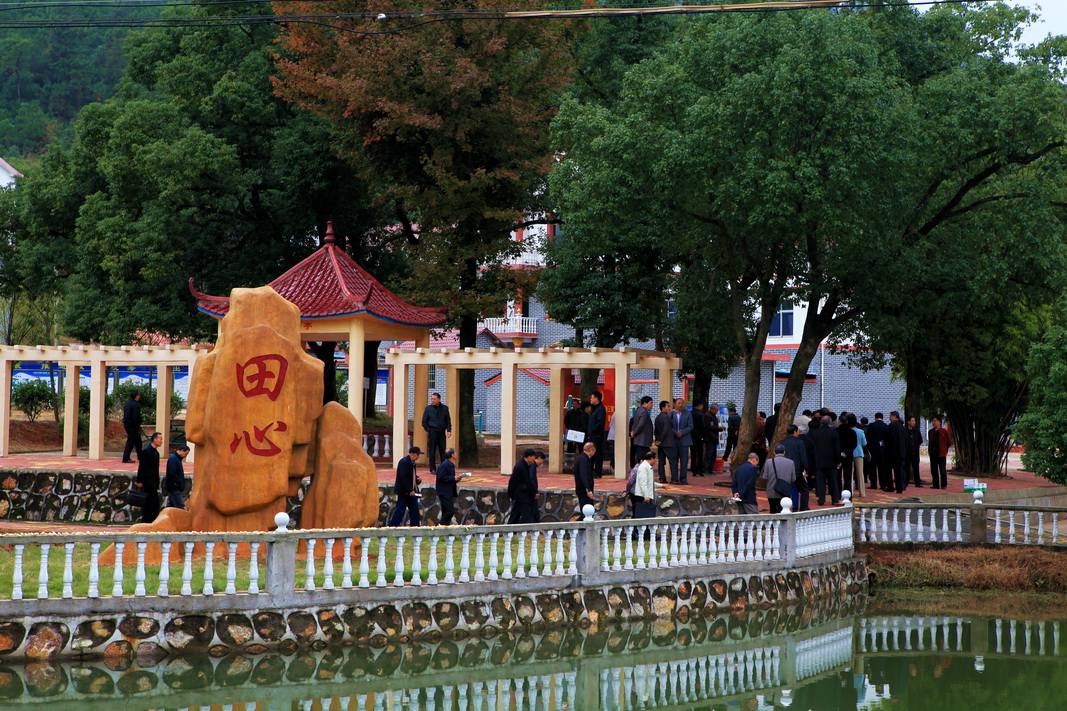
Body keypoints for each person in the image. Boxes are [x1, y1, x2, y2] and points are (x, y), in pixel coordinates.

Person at [388, 446, 423, 527]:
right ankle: (392, 526)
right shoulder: (404, 462)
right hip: (404, 492)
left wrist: (417, 479)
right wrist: (410, 490)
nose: (418, 456)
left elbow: (410, 475)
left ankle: (415, 527)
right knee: (400, 510)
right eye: (417, 454)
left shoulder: (412, 463)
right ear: (412, 454)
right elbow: (403, 477)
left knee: (414, 510)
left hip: (411, 492)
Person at [812, 415, 842, 506]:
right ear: (830, 422)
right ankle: (835, 499)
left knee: (820, 481)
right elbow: (837, 448)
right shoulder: (833, 433)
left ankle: (821, 499)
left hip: (819, 460)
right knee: (833, 481)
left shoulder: (816, 433)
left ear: (821, 422)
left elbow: (813, 447)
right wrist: (838, 460)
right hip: (831, 461)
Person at [135, 432, 163, 523]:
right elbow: (142, 467)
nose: (161, 441)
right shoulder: (147, 452)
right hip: (148, 481)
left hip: (153, 481)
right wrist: (140, 481)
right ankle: (147, 520)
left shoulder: (156, 452)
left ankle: (151, 519)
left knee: (153, 501)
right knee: (150, 501)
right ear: (154, 439)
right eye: (160, 439)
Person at [421, 393, 452, 474]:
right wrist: (429, 430)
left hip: (441, 432)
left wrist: (449, 430)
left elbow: (448, 420)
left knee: (443, 451)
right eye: (432, 399)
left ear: (439, 399)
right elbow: (424, 421)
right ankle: (432, 468)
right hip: (432, 432)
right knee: (432, 451)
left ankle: (444, 468)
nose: (433, 400)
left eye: (434, 399)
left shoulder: (445, 408)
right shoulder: (428, 409)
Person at [782, 424, 810, 511]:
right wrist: (806, 468)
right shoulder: (799, 442)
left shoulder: (783, 442)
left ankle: (784, 507)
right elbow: (803, 456)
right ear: (795, 432)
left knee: (785, 489)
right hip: (797, 469)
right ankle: (803, 507)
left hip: (785, 469)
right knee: (804, 489)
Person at [508, 449, 540, 523]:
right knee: (527, 512)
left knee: (516, 513)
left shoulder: (526, 465)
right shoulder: (520, 466)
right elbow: (513, 480)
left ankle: (511, 528)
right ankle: (531, 529)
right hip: (520, 493)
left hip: (523, 493)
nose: (534, 459)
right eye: (533, 457)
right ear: (529, 457)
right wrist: (511, 493)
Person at [763, 444, 796, 514]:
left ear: (774, 452)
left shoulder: (769, 462)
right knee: (783, 510)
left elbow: (765, 477)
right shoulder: (791, 462)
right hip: (784, 491)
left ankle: (773, 524)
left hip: (772, 491)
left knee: (772, 509)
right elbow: (793, 478)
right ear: (784, 452)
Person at [667, 398, 694, 484]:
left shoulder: (688, 414)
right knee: (674, 460)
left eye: (682, 403)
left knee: (684, 460)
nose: (681, 405)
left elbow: (690, 426)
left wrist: (682, 432)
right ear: (675, 404)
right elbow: (668, 426)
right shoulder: (671, 414)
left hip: (684, 439)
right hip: (674, 440)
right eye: (679, 403)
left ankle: (683, 478)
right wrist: (675, 432)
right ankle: (674, 478)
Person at [885, 411, 908, 494]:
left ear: (894, 416)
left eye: (890, 416)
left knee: (888, 470)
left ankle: (890, 487)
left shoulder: (891, 426)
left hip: (892, 453)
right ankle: (900, 488)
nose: (889, 418)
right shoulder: (903, 427)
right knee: (899, 471)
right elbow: (906, 441)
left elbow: (889, 439)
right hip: (901, 453)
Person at [435, 448, 459, 525]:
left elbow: (448, 478)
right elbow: (440, 477)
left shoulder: (451, 465)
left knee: (445, 511)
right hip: (444, 491)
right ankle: (440, 525)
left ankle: (445, 528)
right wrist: (453, 478)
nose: (456, 454)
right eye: (455, 453)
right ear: (452, 455)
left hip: (449, 491)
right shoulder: (445, 465)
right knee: (450, 511)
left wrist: (456, 479)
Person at [586, 391, 607, 479]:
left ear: (596, 398)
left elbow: (600, 423)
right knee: (592, 454)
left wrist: (592, 430)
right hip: (592, 435)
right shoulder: (595, 409)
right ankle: (591, 471)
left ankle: (598, 472)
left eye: (592, 397)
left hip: (597, 436)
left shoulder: (601, 409)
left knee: (597, 454)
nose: (591, 399)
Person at [867, 412, 890, 492]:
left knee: (873, 468)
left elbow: (868, 437)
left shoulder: (871, 426)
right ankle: (883, 484)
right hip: (883, 450)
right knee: (882, 468)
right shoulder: (886, 426)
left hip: (873, 450)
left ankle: (873, 484)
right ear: (882, 418)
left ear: (875, 417)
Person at [928, 416, 952, 489]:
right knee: (934, 469)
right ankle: (935, 484)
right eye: (933, 421)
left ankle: (944, 485)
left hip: (941, 453)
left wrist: (945, 449)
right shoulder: (931, 432)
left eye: (935, 421)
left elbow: (949, 442)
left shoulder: (944, 431)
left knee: (942, 469)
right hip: (933, 452)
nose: (933, 423)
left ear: (939, 422)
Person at [632, 450, 657, 519]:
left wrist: (660, 486)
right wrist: (646, 495)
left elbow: (649, 482)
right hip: (642, 496)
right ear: (652, 458)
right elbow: (643, 483)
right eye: (655, 459)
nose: (656, 461)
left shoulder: (647, 467)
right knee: (642, 516)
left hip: (646, 495)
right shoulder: (643, 467)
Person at [164, 444, 190, 510]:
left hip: (173, 486)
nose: (185, 456)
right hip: (174, 487)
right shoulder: (174, 459)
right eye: (185, 454)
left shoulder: (176, 458)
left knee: (170, 505)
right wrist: (177, 483)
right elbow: (172, 473)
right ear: (181, 451)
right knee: (180, 506)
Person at [653, 400, 673, 484]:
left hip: (660, 443)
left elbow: (656, 430)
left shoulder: (657, 417)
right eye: (668, 406)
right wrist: (660, 440)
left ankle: (662, 477)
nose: (669, 408)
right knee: (672, 461)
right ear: (663, 408)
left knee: (661, 461)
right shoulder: (666, 417)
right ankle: (674, 478)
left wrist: (658, 440)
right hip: (667, 442)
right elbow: (665, 430)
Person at [838, 413, 857, 499]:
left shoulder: (836, 431)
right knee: (848, 476)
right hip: (849, 456)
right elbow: (854, 444)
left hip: (838, 456)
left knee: (837, 476)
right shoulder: (852, 432)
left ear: (839, 421)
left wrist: (841, 452)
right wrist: (847, 452)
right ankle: (848, 495)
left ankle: (837, 494)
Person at [630, 396, 655, 464]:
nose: (652, 405)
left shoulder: (638, 411)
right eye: (651, 403)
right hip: (643, 440)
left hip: (640, 440)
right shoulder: (644, 412)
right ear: (645, 403)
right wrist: (634, 432)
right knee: (644, 459)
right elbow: (640, 425)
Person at [574, 441, 598, 509]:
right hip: (583, 490)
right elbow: (584, 475)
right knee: (587, 511)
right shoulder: (583, 460)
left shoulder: (582, 458)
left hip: (583, 489)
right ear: (591, 450)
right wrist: (588, 489)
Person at [848, 414, 867, 498]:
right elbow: (864, 443)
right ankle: (862, 492)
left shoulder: (848, 431)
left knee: (850, 473)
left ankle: (850, 492)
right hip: (859, 453)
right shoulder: (860, 431)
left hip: (850, 453)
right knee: (860, 473)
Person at [122, 391, 143, 463]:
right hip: (133, 426)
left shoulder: (128, 404)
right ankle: (125, 458)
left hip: (128, 424)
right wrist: (137, 426)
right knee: (131, 442)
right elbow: (135, 417)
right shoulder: (135, 405)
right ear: (136, 396)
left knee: (138, 441)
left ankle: (140, 456)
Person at [905, 415, 924, 487]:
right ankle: (905, 482)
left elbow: (920, 440)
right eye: (912, 421)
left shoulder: (916, 431)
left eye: (914, 421)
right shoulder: (905, 430)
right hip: (907, 453)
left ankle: (917, 483)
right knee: (906, 468)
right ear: (908, 422)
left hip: (915, 452)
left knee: (916, 468)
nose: (914, 422)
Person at [690, 401, 707, 477]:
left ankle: (694, 470)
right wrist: (704, 435)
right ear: (699, 405)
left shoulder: (690, 413)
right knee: (700, 454)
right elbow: (703, 426)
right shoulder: (701, 414)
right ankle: (700, 470)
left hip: (691, 436)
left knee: (693, 453)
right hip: (699, 436)